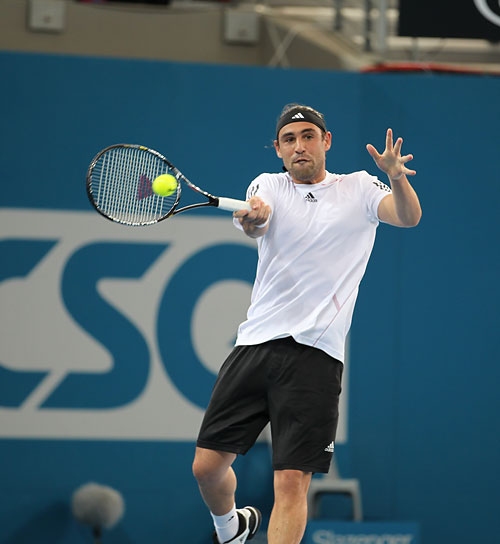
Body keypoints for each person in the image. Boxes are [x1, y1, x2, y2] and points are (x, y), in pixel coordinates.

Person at [192, 103, 422, 544]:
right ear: (278, 149)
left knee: (292, 482)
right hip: (255, 344)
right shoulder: (268, 185)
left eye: (308, 136)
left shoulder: (360, 187)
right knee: (206, 468)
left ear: (326, 141)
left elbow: (408, 216)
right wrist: (253, 219)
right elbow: (257, 218)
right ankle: (231, 527)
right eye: (289, 139)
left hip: (315, 355)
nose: (299, 146)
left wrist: (395, 176)